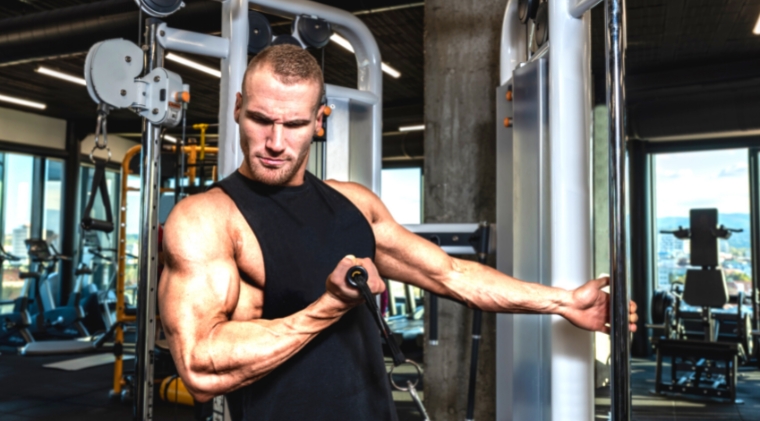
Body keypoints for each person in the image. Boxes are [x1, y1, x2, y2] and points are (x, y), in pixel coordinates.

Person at [159, 44, 638, 421]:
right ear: (238, 109)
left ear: (319, 122)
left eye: (294, 124)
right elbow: (200, 365)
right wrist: (327, 309)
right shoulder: (206, 219)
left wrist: (563, 301)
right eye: (261, 119)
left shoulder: (355, 204)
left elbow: (453, 275)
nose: (275, 143)